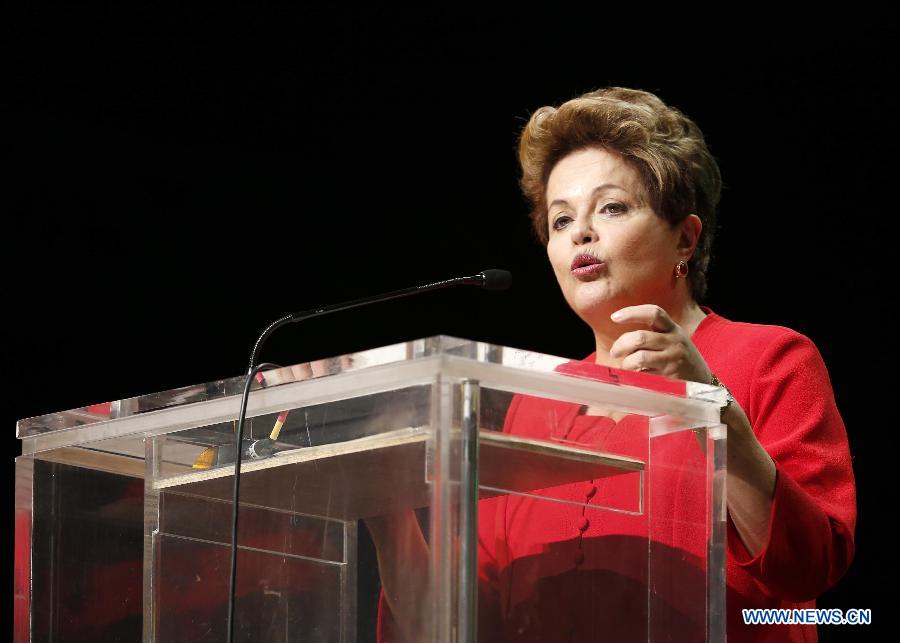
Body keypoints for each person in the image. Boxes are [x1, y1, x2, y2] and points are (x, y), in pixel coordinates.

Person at [375, 87, 856, 642]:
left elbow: (809, 573)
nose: (580, 232)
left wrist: (710, 404)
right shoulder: (533, 403)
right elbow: (470, 622)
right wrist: (386, 509)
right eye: (560, 221)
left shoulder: (770, 360)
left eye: (612, 207)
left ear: (685, 238)